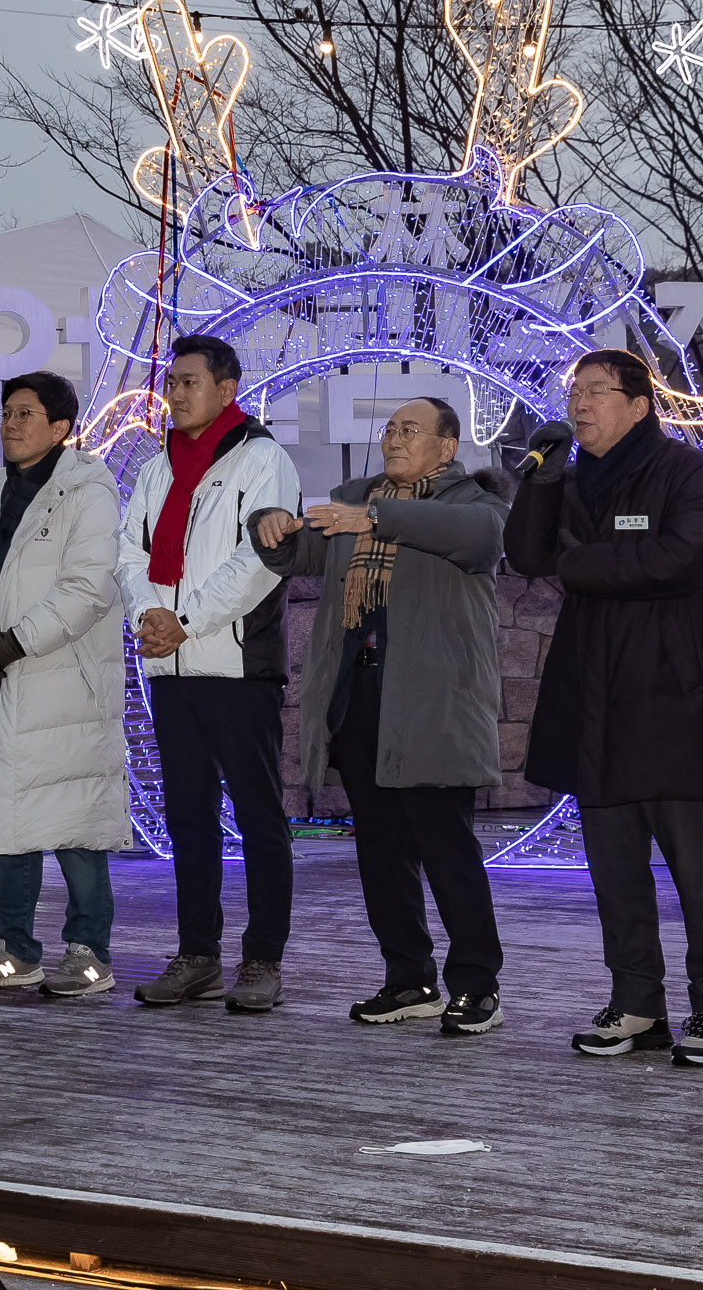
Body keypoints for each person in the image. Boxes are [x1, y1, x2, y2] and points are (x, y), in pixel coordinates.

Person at [505, 349, 703, 1067]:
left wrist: (580, 563)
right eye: (573, 391)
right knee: (614, 869)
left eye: (597, 392)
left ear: (640, 405)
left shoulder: (687, 473)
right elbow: (526, 554)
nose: (580, 404)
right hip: (597, 702)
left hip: (672, 698)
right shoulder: (571, 476)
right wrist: (543, 478)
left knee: (694, 869)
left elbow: (680, 560)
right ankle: (638, 1003)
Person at [252, 396, 511, 1032]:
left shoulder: (472, 506)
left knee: (446, 848)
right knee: (382, 852)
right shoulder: (354, 504)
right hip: (361, 697)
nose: (393, 440)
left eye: (410, 430)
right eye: (390, 430)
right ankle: (408, 977)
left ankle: (476, 985)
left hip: (432, 702)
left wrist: (375, 517)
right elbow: (297, 555)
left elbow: (474, 541)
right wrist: (273, 524)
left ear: (447, 448)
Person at [114, 335, 302, 1013]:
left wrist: (184, 619)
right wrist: (153, 618)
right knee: (187, 818)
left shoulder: (262, 458)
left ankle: (263, 959)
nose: (178, 392)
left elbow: (259, 559)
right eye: (173, 381)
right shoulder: (156, 468)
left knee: (258, 818)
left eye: (191, 381)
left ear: (227, 389)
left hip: (237, 665)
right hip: (171, 667)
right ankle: (198, 954)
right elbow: (129, 554)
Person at [0, 372, 131, 997]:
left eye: (26, 413)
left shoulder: (87, 491)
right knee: (12, 814)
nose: (11, 424)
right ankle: (13, 949)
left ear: (60, 428)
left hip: (63, 683)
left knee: (75, 820)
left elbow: (90, 588)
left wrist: (16, 641)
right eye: (6, 412)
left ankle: (88, 952)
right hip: (0, 680)